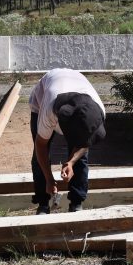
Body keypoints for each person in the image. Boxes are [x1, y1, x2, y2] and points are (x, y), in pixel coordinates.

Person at [29, 68, 106, 214]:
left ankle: (76, 202)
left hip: (74, 85)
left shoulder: (98, 110)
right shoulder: (49, 110)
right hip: (42, 100)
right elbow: (41, 145)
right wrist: (49, 179)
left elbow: (86, 142)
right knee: (39, 157)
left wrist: (70, 162)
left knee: (80, 158)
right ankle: (43, 202)